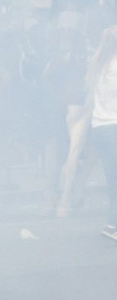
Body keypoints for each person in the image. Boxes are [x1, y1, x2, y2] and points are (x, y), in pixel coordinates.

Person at [57, 25, 117, 241]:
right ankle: (113, 225)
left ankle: (113, 223)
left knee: (113, 178)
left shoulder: (99, 66)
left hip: (100, 128)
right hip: (113, 128)